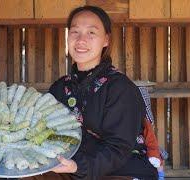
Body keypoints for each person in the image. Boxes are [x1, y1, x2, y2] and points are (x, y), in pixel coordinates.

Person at [46, 5, 158, 180]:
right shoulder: (59, 88)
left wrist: (78, 167)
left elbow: (118, 148)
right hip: (72, 169)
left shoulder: (120, 88)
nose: (81, 40)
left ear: (106, 39)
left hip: (122, 171)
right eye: (75, 32)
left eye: (91, 33)